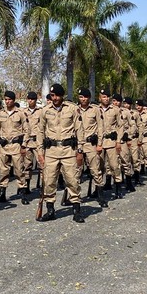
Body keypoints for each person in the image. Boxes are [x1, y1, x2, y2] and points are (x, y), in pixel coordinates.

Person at [36, 84, 85, 223]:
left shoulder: (72, 109)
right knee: (49, 181)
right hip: (51, 151)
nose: (55, 98)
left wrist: (80, 150)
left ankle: (77, 210)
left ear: (62, 96)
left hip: (68, 150)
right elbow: (40, 131)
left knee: (72, 180)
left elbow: (79, 130)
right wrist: (40, 152)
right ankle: (50, 210)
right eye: (52, 95)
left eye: (57, 95)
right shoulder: (45, 111)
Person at [0, 90, 30, 205]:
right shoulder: (0, 114)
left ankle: (23, 193)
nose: (7, 102)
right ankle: (2, 193)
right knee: (3, 171)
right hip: (3, 147)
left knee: (19, 170)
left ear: (14, 100)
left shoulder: (20, 113)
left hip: (16, 146)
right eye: (6, 99)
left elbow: (27, 130)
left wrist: (24, 145)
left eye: (9, 99)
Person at [78, 88, 107, 207]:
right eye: (81, 97)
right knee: (76, 172)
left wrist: (100, 144)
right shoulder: (74, 110)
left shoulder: (95, 110)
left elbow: (101, 128)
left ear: (89, 98)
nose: (83, 99)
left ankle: (100, 196)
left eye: (85, 97)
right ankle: (74, 197)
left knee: (95, 170)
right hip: (78, 145)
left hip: (91, 145)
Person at [99, 89, 124, 198]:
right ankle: (98, 189)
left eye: (108, 96)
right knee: (98, 167)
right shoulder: (95, 109)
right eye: (104, 96)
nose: (106, 98)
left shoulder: (115, 110)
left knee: (115, 166)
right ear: (100, 98)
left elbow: (120, 126)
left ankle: (118, 189)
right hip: (99, 143)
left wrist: (118, 141)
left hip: (111, 142)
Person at [111, 94, 136, 192]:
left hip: (122, 141)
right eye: (113, 101)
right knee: (112, 164)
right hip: (111, 141)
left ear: (121, 102)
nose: (115, 103)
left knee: (125, 161)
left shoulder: (126, 112)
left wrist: (129, 135)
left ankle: (129, 183)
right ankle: (113, 183)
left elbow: (133, 125)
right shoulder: (109, 111)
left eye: (117, 101)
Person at [123, 97, 145, 186]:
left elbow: (140, 126)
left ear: (131, 105)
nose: (126, 105)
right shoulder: (120, 112)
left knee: (135, 159)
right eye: (124, 103)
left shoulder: (135, 114)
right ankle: (126, 179)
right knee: (125, 160)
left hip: (133, 139)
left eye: (128, 104)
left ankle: (137, 178)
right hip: (123, 140)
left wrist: (140, 139)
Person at [23, 91, 42, 194]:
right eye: (29, 99)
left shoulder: (41, 111)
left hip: (37, 141)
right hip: (27, 141)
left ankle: (44, 187)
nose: (30, 101)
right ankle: (26, 187)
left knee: (41, 165)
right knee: (27, 165)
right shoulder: (23, 112)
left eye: (32, 99)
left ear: (36, 100)